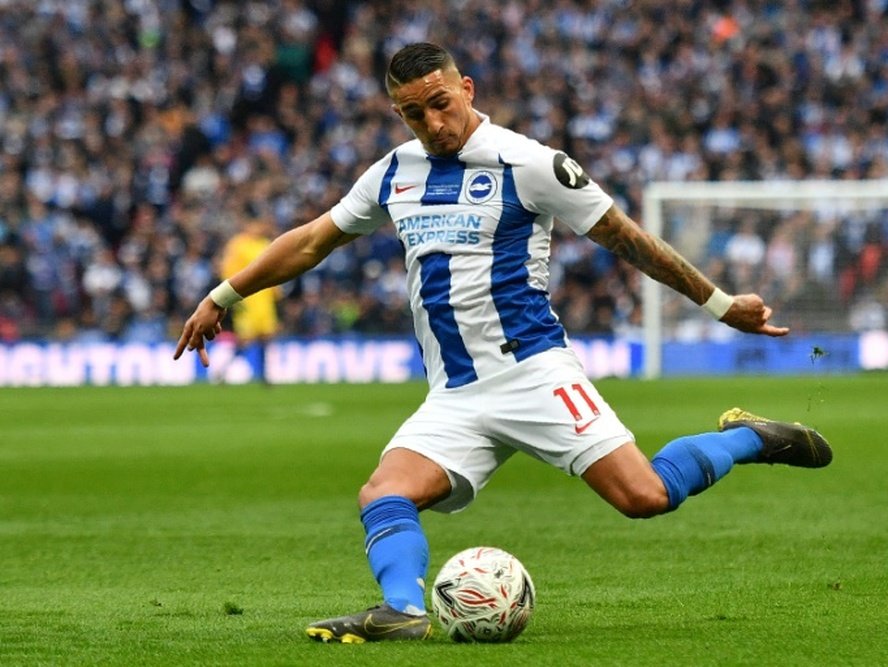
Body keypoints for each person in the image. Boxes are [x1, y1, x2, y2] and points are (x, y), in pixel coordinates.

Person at [174, 42, 833, 643]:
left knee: (645, 497)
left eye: (440, 103)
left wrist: (719, 303)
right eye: (412, 114)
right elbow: (312, 239)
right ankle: (402, 610)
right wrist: (222, 295)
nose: (432, 124)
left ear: (468, 88)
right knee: (383, 492)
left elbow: (627, 237)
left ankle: (750, 436)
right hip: (456, 394)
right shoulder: (394, 173)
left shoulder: (531, 163)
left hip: (535, 373)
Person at [213, 216, 280, 382]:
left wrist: (276, 293)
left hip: (264, 300)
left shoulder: (265, 244)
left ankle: (266, 377)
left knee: (267, 338)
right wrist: (233, 298)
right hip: (247, 300)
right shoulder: (238, 244)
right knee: (245, 341)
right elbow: (227, 272)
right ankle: (223, 371)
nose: (260, 227)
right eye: (256, 223)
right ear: (248, 224)